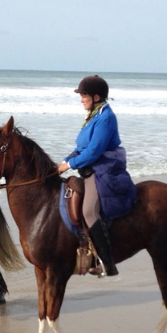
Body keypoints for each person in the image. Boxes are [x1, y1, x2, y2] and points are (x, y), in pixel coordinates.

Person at [56, 75, 136, 277]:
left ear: (96, 96)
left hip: (104, 169)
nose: (81, 99)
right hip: (91, 166)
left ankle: (108, 263)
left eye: (84, 95)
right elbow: (81, 147)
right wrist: (65, 160)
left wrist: (70, 165)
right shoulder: (93, 115)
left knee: (89, 211)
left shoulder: (106, 117)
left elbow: (93, 151)